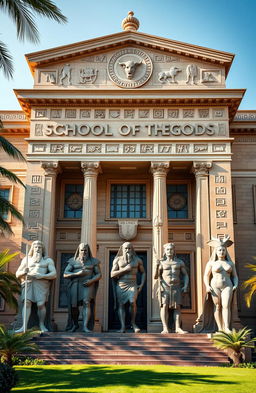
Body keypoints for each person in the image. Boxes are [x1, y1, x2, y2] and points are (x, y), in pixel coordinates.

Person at [16, 240, 56, 332]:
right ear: (32, 249)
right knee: (26, 303)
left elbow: (54, 274)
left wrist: (42, 276)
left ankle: (42, 325)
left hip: (41, 284)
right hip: (28, 282)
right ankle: (24, 326)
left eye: (39, 247)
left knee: (41, 304)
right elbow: (17, 273)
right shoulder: (26, 260)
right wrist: (24, 272)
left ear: (42, 249)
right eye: (36, 247)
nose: (37, 249)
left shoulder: (47, 260)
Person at [63, 243, 101, 333]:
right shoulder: (72, 261)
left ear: (88, 251)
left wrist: (91, 281)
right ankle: (75, 324)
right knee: (74, 307)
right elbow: (65, 274)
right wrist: (77, 274)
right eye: (82, 250)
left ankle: (85, 326)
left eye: (85, 250)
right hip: (75, 285)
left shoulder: (93, 261)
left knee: (86, 302)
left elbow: (99, 274)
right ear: (78, 251)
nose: (83, 252)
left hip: (87, 284)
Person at [203, 236, 238, 332]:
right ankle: (219, 328)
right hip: (215, 286)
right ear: (216, 252)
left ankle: (226, 327)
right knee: (217, 306)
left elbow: (235, 276)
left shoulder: (230, 263)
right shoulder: (211, 263)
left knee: (226, 305)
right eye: (219, 250)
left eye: (223, 250)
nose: (221, 252)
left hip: (227, 285)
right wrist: (207, 286)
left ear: (226, 251)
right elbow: (206, 275)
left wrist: (236, 284)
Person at [110, 242, 145, 333]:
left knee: (132, 302)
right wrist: (124, 270)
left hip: (132, 284)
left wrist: (141, 284)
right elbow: (112, 274)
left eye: (129, 248)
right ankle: (122, 327)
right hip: (121, 285)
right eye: (125, 248)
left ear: (132, 249)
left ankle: (133, 323)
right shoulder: (117, 260)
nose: (127, 250)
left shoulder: (137, 260)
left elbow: (143, 272)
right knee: (121, 305)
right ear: (122, 249)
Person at [154, 242, 189, 334]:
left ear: (174, 251)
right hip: (164, 287)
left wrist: (185, 286)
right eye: (168, 249)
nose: (169, 251)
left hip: (176, 287)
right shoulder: (161, 262)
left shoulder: (179, 262)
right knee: (164, 306)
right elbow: (155, 276)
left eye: (171, 249)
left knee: (177, 307)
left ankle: (178, 328)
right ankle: (165, 328)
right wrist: (157, 266)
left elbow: (185, 275)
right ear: (165, 251)